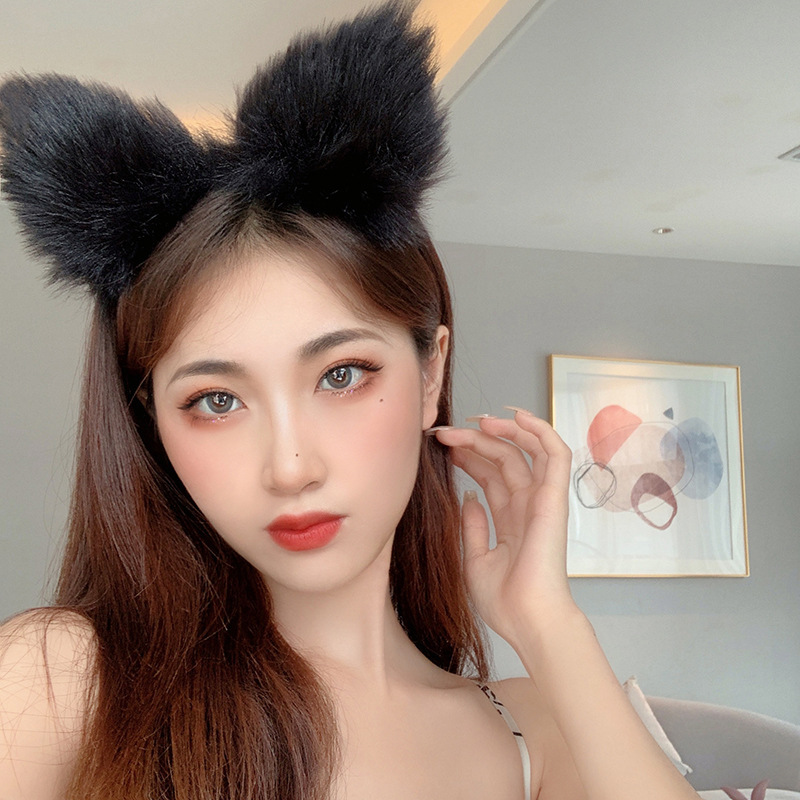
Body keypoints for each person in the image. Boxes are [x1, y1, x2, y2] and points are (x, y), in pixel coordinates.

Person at [0, 4, 701, 799]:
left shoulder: (530, 729)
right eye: (216, 400)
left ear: (430, 374)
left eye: (341, 375)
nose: (291, 467)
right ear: (151, 422)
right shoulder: (61, 684)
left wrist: (549, 624)